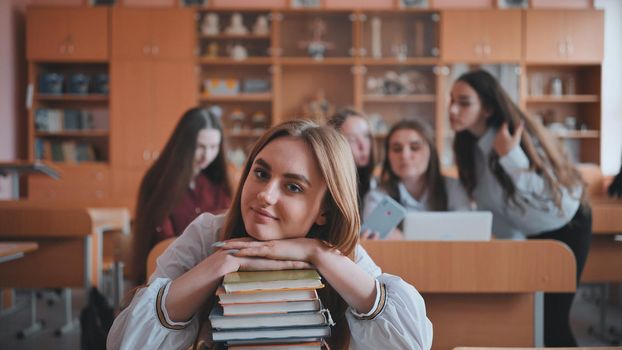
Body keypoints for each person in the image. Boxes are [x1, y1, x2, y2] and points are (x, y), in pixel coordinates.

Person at [108, 120, 433, 350]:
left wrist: (317, 254)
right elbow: (128, 344)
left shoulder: (336, 250)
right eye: (261, 173)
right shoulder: (209, 232)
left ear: (324, 210)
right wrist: (223, 262)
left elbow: (409, 345)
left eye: (293, 187)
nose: (265, 195)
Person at [448, 69, 591, 347]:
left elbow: (554, 193)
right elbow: (493, 205)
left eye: (464, 102)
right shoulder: (469, 146)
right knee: (530, 317)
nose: (453, 109)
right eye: (451, 100)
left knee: (553, 319)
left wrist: (510, 157)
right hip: (528, 232)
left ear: (487, 107)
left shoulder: (516, 135)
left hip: (566, 225)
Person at [133, 107, 232, 283]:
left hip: (216, 274)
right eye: (200, 147)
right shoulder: (159, 181)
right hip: (168, 276)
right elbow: (164, 244)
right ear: (185, 145)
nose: (207, 155)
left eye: (213, 147)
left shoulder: (218, 182)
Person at [362, 118, 472, 239]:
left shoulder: (452, 187)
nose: (405, 155)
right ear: (388, 156)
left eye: (415, 147)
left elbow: (467, 229)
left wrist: (402, 238)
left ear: (431, 152)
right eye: (397, 149)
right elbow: (373, 239)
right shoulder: (378, 197)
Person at [327, 108, 378, 208]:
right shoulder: (329, 189)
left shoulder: (375, 183)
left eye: (366, 136)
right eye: (351, 139)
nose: (363, 146)